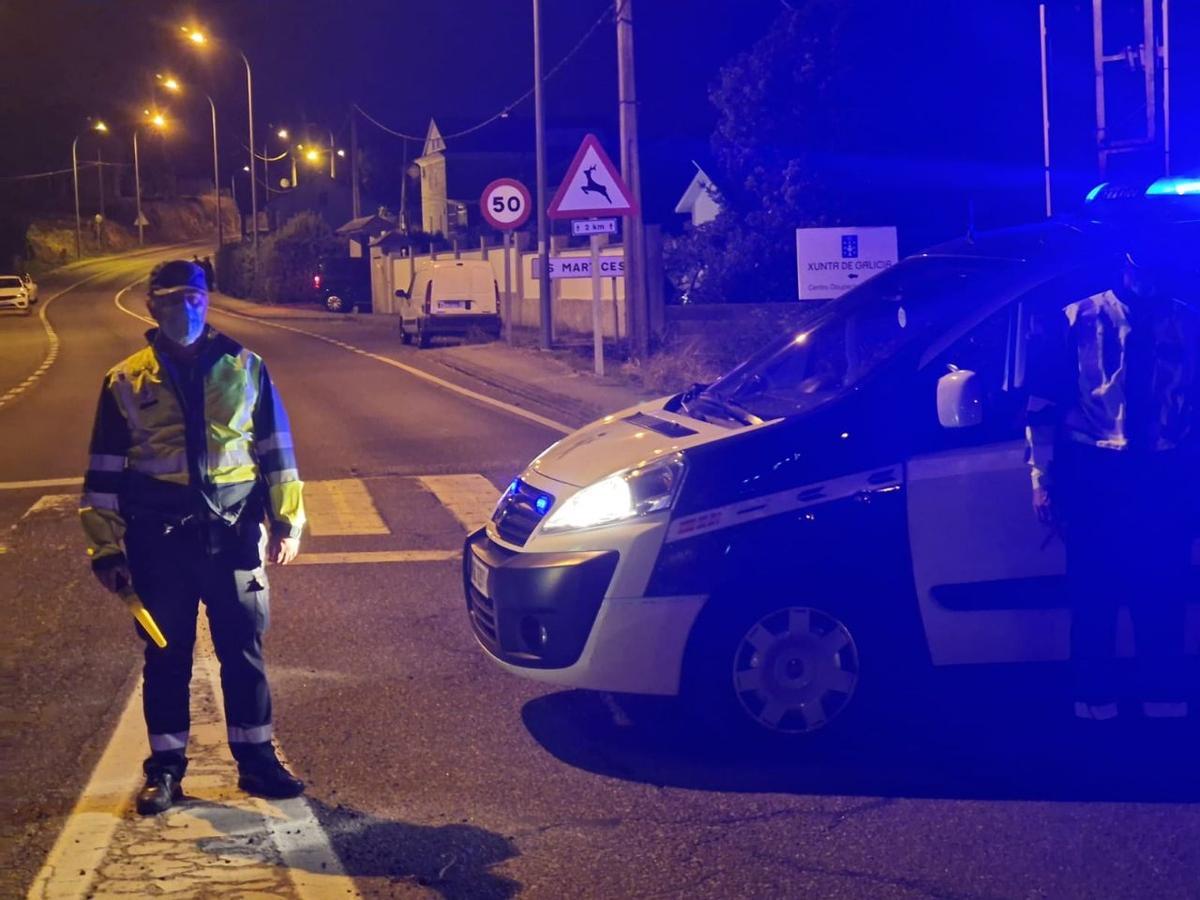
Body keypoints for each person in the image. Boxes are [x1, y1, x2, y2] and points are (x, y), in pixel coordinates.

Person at [80, 259, 307, 814]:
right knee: (165, 657)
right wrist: (106, 548)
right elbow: (103, 474)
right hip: (160, 544)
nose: (187, 308)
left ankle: (257, 762)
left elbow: (276, 452)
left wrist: (286, 523)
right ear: (151, 305)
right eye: (175, 298)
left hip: (233, 538)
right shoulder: (125, 380)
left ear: (209, 301)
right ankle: (165, 771)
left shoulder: (246, 367)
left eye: (196, 297)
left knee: (244, 653)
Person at [1026, 250, 1199, 721]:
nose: (1147, 276)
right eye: (1139, 265)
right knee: (1093, 594)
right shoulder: (1078, 318)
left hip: (1164, 473)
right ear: (1123, 265)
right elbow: (1042, 406)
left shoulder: (1188, 322)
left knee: (1162, 588)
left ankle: (1164, 701)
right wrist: (1042, 479)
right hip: (1096, 471)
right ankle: (1093, 704)